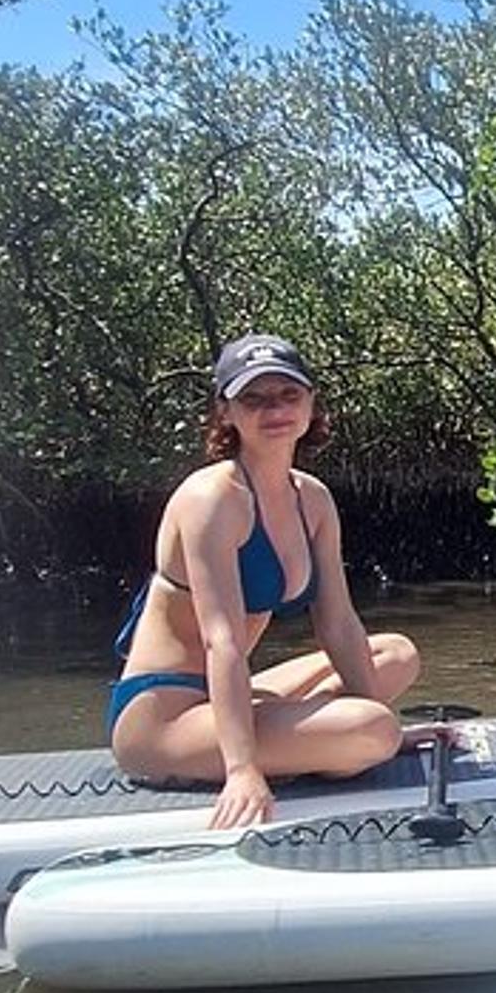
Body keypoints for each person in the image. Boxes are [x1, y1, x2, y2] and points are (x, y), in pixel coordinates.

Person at [107, 333, 421, 829]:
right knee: (373, 730)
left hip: (226, 697)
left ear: (310, 403)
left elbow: (337, 622)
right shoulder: (212, 499)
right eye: (253, 398)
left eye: (288, 395)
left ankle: (316, 738)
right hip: (163, 721)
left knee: (396, 655)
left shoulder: (312, 500)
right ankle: (305, 743)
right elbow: (222, 640)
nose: (274, 409)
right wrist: (242, 770)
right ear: (226, 412)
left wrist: (379, 714)